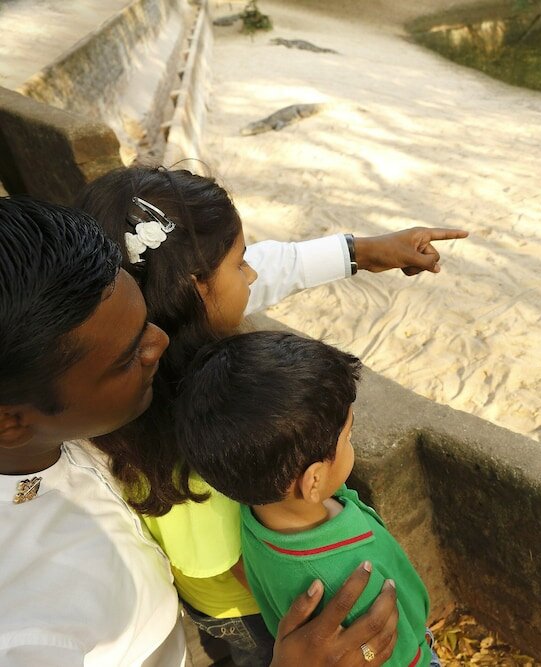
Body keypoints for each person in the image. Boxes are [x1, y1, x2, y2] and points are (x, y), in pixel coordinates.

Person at [73, 165, 466, 664]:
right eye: (240, 264)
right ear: (193, 289)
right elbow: (218, 559)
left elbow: (264, 270)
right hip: (260, 613)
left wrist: (362, 251)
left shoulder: (143, 343)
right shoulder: (198, 439)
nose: (253, 273)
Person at [0, 196, 399, 666]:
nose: (162, 342)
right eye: (129, 356)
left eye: (147, 316)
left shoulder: (69, 416)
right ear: (10, 421)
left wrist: (351, 252)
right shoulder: (33, 628)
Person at [175, 332, 437, 667]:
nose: (351, 441)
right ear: (313, 480)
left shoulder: (259, 508)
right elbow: (385, 652)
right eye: (349, 435)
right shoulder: (351, 582)